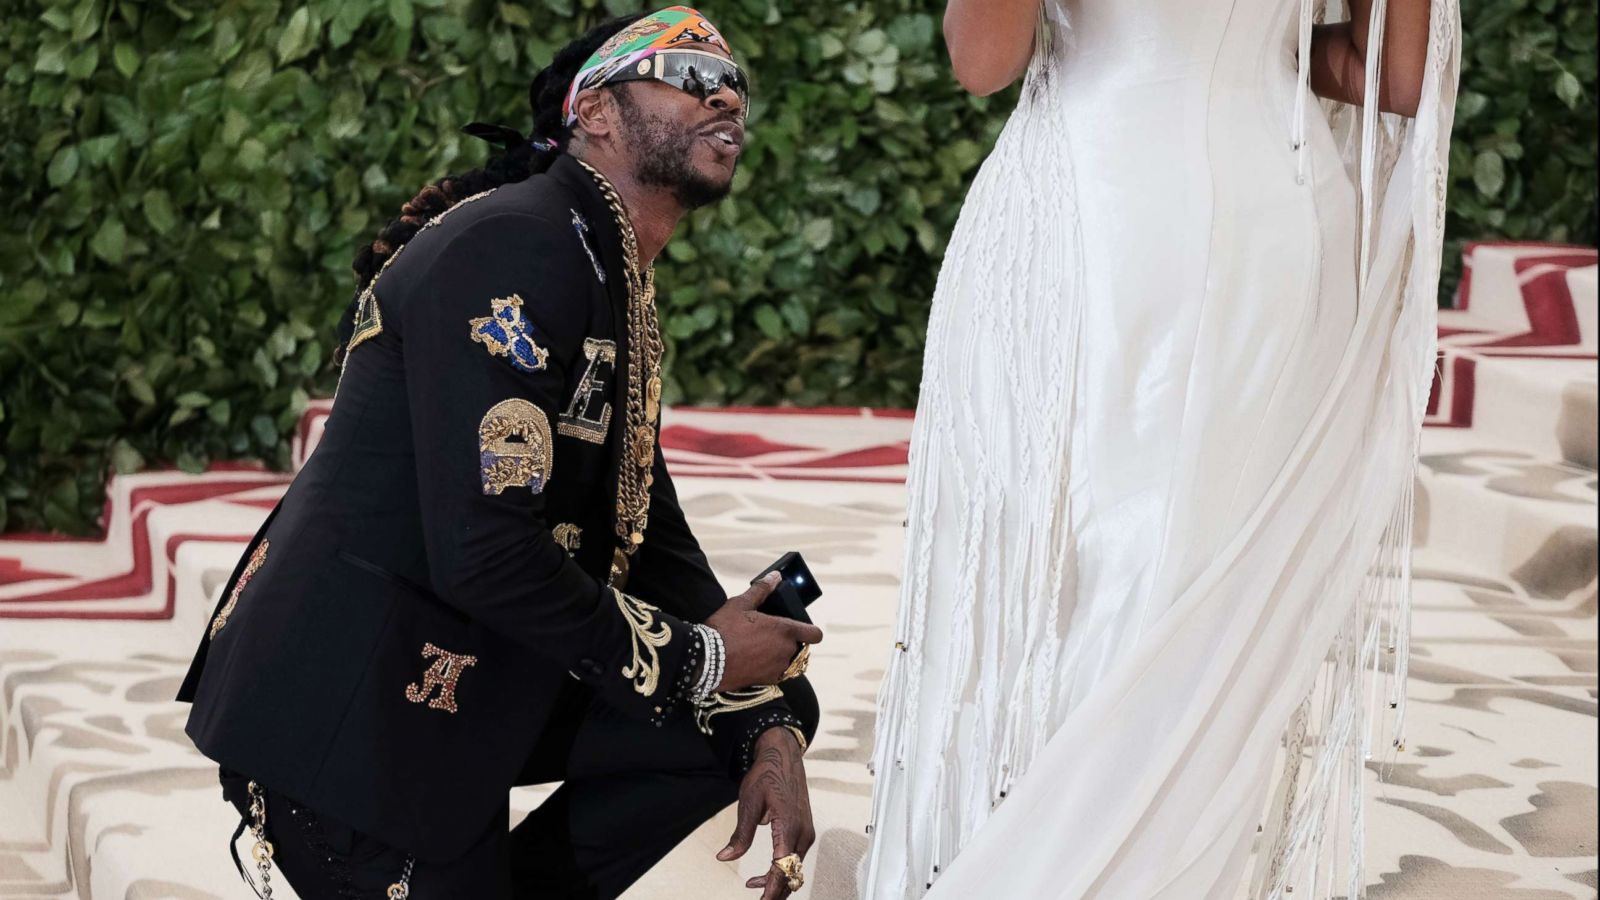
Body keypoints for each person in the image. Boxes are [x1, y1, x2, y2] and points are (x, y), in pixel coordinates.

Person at [177, 9, 823, 899]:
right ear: (593, 112)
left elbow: (653, 538)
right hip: (355, 722)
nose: (722, 94)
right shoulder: (517, 244)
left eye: (733, 83)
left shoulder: (606, 271)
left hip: (463, 678)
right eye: (682, 73)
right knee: (707, 686)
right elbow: (485, 550)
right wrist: (699, 659)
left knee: (745, 714)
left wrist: (769, 726)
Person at [862, 0, 1461, 896]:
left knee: (1043, 570)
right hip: (1277, 233)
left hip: (1102, 222)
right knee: (1209, 588)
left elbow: (980, 59)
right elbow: (1389, 76)